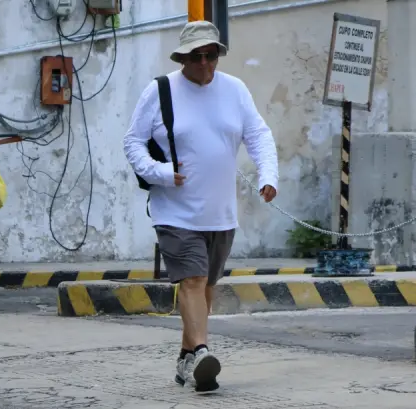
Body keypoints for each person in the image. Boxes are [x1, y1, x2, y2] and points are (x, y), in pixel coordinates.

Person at [123, 21, 279, 392]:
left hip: (219, 213)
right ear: (183, 58)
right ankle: (202, 353)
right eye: (197, 56)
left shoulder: (235, 90)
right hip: (175, 211)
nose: (205, 63)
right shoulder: (160, 91)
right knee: (191, 280)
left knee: (205, 285)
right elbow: (133, 142)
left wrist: (268, 175)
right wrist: (160, 173)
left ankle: (186, 355)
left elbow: (258, 135)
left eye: (211, 55)